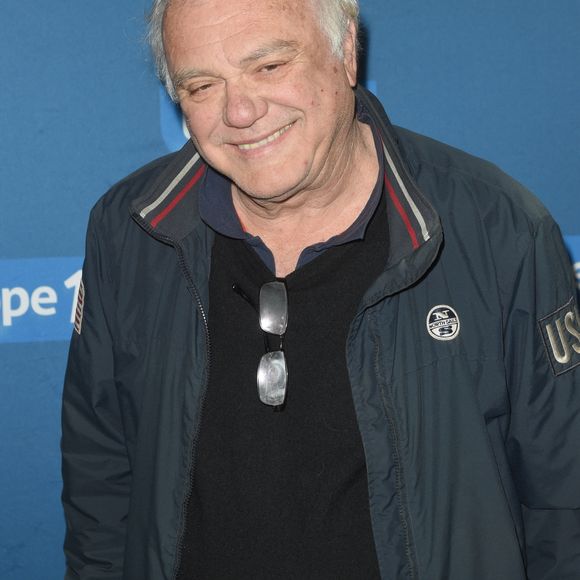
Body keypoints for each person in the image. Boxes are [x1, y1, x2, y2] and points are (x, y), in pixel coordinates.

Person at [60, 0, 580, 578]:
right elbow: (100, 486)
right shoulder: (127, 230)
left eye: (270, 67)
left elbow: (564, 497)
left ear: (346, 53)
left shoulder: (498, 229)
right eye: (202, 85)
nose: (240, 110)